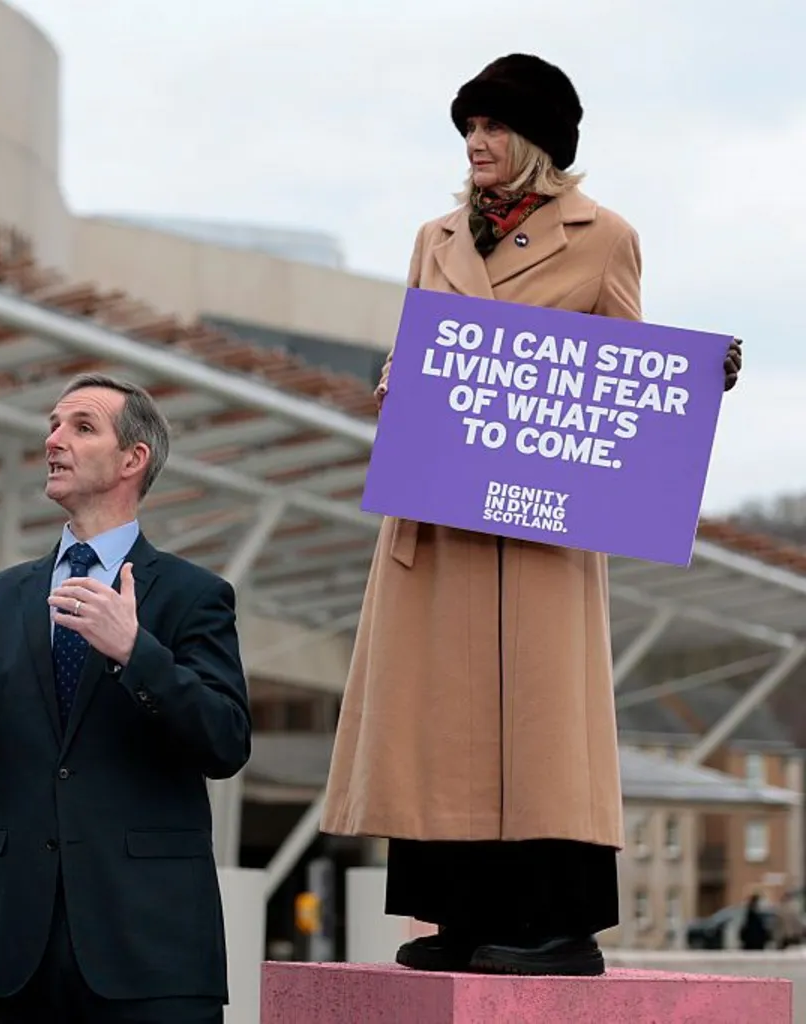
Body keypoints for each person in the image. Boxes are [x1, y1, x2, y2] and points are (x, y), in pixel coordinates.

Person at [321, 53, 743, 978]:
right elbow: (417, 348)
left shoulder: (604, 237)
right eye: (469, 128)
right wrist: (396, 383)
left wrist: (687, 384)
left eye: (494, 127)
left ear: (539, 141)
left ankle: (561, 927)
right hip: (442, 526)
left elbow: (627, 373)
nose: (476, 142)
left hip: (540, 527)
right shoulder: (434, 236)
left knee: (542, 728)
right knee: (444, 725)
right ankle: (463, 918)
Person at [0, 373, 251, 1023]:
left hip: (154, 949)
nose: (53, 440)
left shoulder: (194, 595)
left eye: (81, 427)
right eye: (52, 426)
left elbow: (225, 741)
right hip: (23, 951)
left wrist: (135, 651)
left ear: (132, 460)